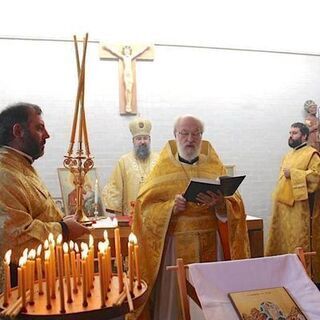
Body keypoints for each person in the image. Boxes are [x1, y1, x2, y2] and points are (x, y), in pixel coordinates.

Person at [130, 114, 250, 320]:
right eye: (184, 133)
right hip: (175, 246)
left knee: (212, 300)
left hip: (212, 243)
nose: (190, 139)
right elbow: (144, 211)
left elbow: (236, 205)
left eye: (196, 134)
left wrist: (221, 205)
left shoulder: (214, 166)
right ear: (175, 135)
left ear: (202, 137)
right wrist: (170, 208)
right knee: (176, 302)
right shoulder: (162, 169)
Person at [0, 102, 90, 290]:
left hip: (39, 277)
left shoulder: (21, 166)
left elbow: (38, 213)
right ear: (18, 131)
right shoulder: (4, 174)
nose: (47, 135)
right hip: (20, 287)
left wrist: (62, 220)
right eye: (39, 128)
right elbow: (15, 238)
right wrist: (64, 229)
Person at [265, 122, 320, 282]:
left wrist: (295, 174)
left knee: (298, 243)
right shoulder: (287, 156)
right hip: (283, 209)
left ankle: (302, 278)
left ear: (304, 135)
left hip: (299, 211)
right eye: (290, 132)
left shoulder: (312, 154)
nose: (291, 135)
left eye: (295, 133)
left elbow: (317, 178)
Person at [102, 117, 158, 215]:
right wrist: (116, 207)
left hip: (154, 215)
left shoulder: (159, 160)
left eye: (145, 138)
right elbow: (115, 187)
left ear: (150, 140)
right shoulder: (123, 161)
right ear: (133, 141)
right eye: (138, 138)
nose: (142, 142)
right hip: (130, 216)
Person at [102, 45, 150, 113]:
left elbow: (139, 52)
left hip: (130, 74)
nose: (127, 52)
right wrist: (107, 48)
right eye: (125, 51)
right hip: (126, 74)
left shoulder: (131, 57)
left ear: (130, 52)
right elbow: (114, 52)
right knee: (127, 89)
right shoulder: (123, 57)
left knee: (129, 90)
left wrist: (146, 48)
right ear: (124, 52)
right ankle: (127, 106)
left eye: (128, 50)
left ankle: (129, 105)